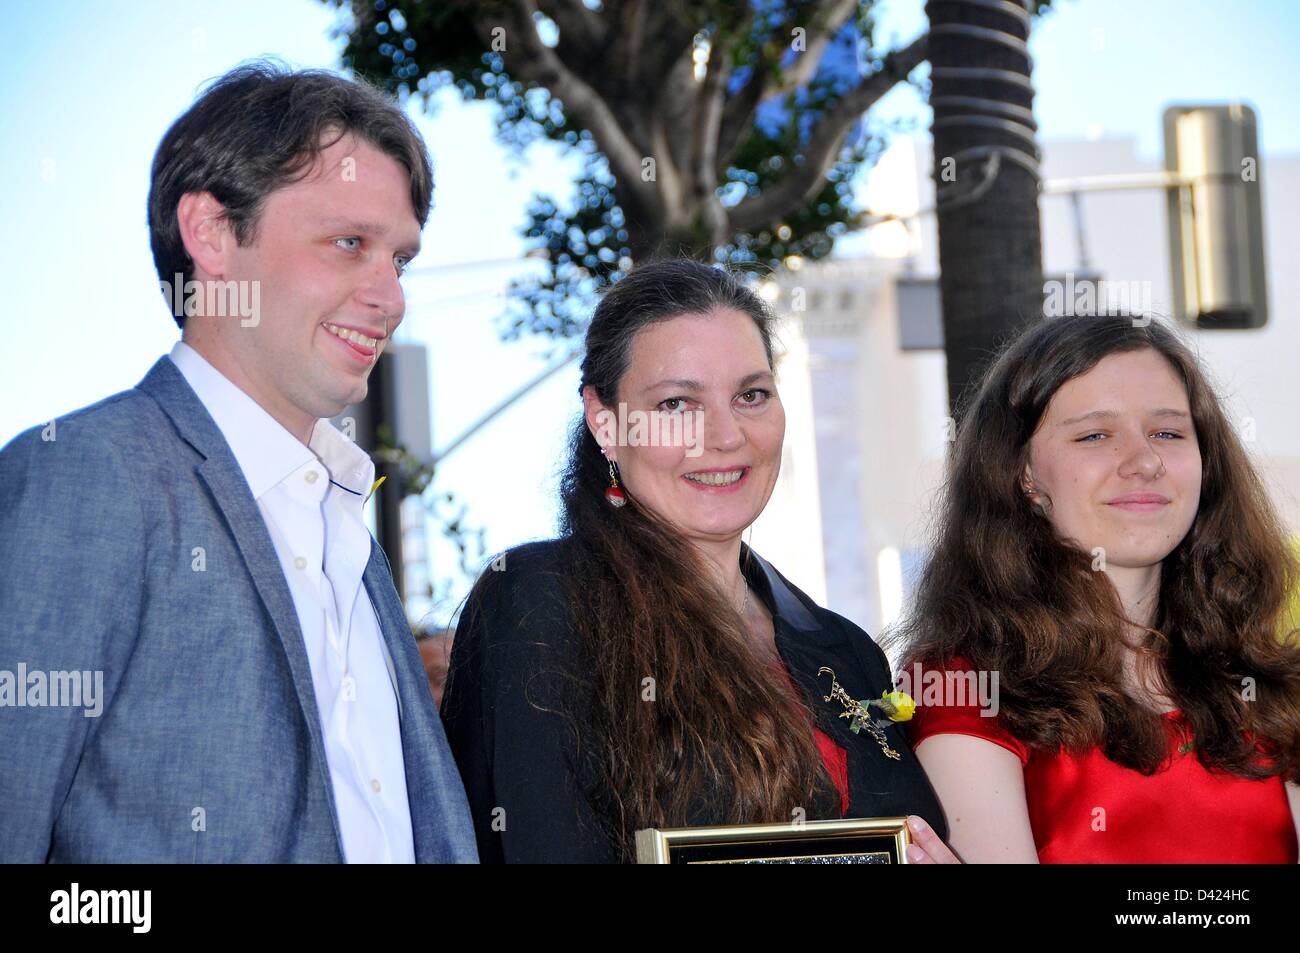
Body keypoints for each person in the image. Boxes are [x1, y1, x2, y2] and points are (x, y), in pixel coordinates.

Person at [0, 62, 476, 863]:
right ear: (213, 234)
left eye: (401, 259)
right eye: (350, 243)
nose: (391, 297)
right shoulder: (86, 478)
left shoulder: (344, 519)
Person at [440, 259, 955, 863]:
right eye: (677, 404)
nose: (725, 435)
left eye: (751, 395)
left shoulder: (848, 652)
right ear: (605, 423)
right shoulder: (540, 604)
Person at [893, 314, 1300, 863]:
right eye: (1095, 435)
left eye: (1167, 432)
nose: (1144, 462)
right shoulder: (967, 686)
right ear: (1024, 474)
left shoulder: (1267, 687)